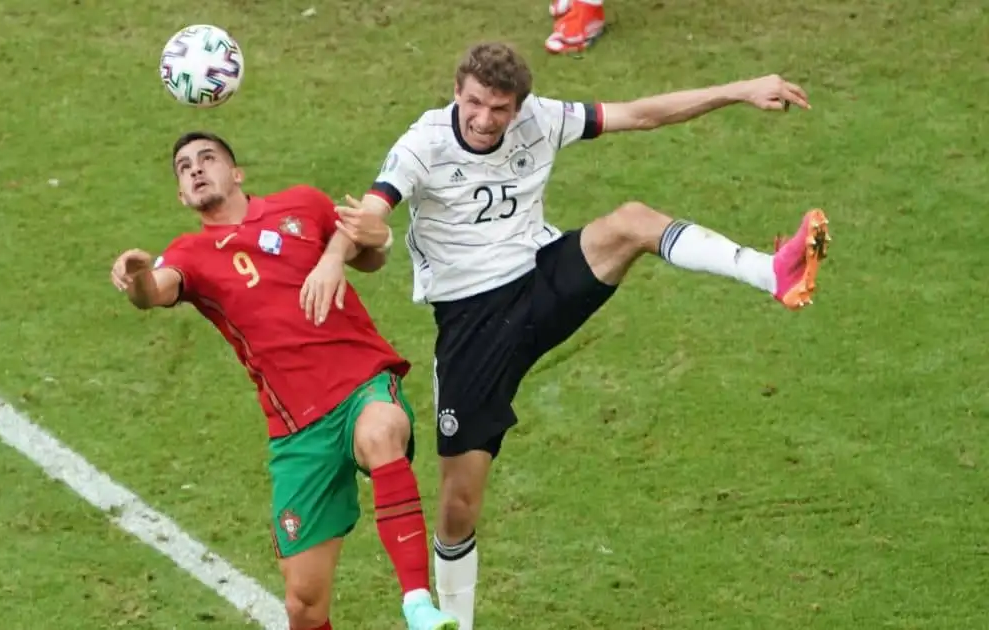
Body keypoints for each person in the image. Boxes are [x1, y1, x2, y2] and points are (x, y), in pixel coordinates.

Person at [310, 42, 830, 629]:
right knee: (458, 507)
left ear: (519, 106)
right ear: (456, 90)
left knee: (631, 221)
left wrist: (736, 89)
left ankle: (771, 271)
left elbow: (640, 113)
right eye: (474, 103)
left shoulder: (543, 118)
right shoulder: (421, 145)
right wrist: (336, 255)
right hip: (472, 326)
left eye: (499, 109)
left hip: (540, 280)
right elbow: (372, 212)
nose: (484, 120)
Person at [109, 131, 459, 630]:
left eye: (208, 159)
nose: (196, 169)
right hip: (297, 429)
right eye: (184, 168)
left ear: (237, 173)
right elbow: (152, 294)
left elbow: (370, 255)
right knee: (303, 605)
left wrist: (369, 242)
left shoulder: (303, 205)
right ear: (181, 195)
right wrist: (137, 273)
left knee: (381, 432)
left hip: (362, 383)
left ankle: (418, 605)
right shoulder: (188, 254)